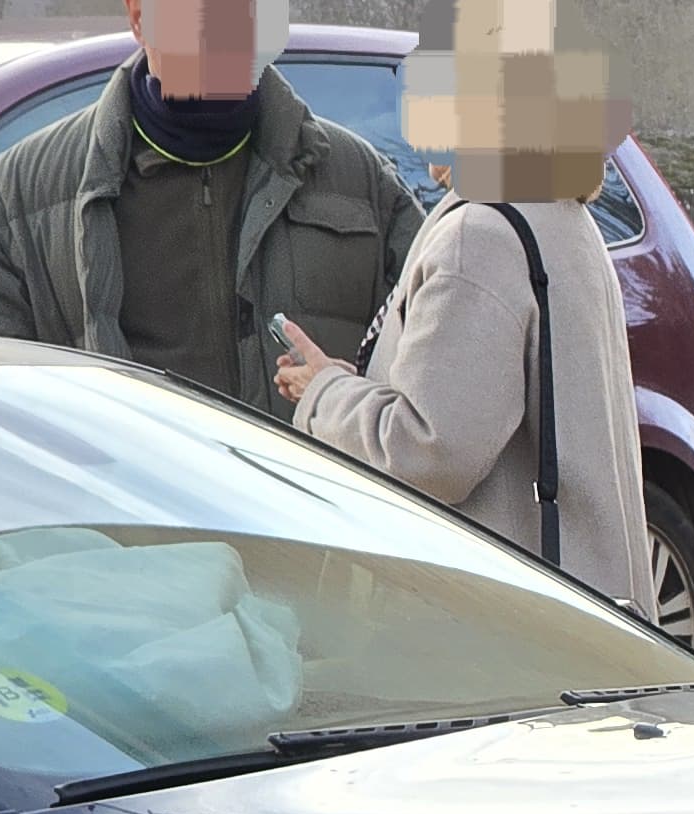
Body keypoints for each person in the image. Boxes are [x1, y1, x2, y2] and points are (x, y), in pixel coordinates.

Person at [273, 0, 642, 608]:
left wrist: (322, 395)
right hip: (583, 620)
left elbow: (427, 454)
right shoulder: (560, 213)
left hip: (502, 637)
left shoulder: (482, 235)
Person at [0, 0, 421, 417]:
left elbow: (433, 390)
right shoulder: (5, 208)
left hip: (330, 512)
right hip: (122, 513)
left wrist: (346, 400)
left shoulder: (365, 185)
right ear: (139, 17)